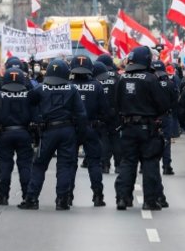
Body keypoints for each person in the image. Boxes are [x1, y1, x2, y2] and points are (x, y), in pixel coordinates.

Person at [18, 59, 86, 211]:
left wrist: (35, 119)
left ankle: (32, 199)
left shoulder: (41, 89)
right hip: (68, 130)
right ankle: (62, 200)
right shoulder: (72, 89)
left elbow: (28, 101)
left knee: (39, 165)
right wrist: (80, 135)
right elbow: (81, 114)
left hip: (48, 131)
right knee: (65, 165)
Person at [114, 47, 172, 211]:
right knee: (150, 163)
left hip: (127, 127)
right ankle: (150, 201)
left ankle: (123, 199)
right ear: (147, 60)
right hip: (148, 128)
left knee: (127, 162)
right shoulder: (150, 79)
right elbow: (163, 104)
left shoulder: (123, 78)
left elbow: (116, 104)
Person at [70, 55, 108, 206]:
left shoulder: (68, 85)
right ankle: (98, 196)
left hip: (72, 128)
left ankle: (66, 195)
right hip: (91, 127)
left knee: (69, 163)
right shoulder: (97, 86)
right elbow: (104, 109)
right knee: (94, 163)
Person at [0, 68, 33, 206]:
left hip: (4, 133)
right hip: (24, 132)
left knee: (5, 165)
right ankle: (27, 195)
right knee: (25, 165)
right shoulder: (28, 95)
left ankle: (3, 196)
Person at [152, 61, 179, 176]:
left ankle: (148, 166)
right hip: (166, 116)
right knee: (166, 142)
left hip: (152, 117)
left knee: (150, 142)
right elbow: (175, 101)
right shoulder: (171, 84)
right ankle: (166, 166)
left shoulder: (150, 83)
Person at [95, 54, 119, 174]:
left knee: (104, 139)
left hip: (102, 114)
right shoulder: (117, 77)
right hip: (116, 114)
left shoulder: (97, 77)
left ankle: (105, 165)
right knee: (116, 139)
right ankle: (118, 165)